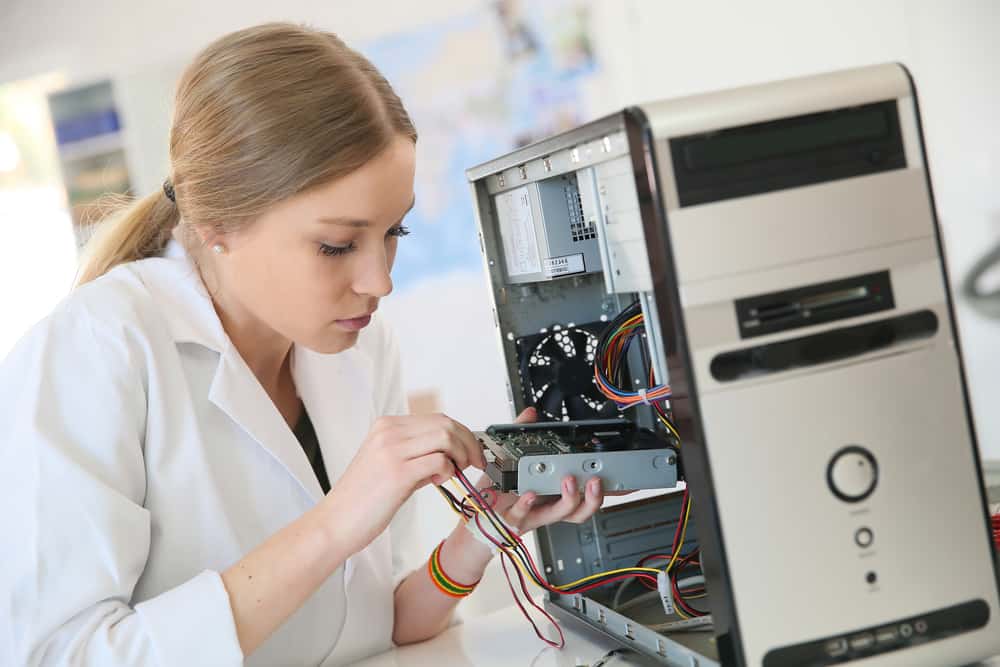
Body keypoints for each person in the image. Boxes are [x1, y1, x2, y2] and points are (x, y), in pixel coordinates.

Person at [0, 23, 608, 666]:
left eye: (393, 231)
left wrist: (484, 533)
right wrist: (336, 521)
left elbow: (378, 625)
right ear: (218, 227)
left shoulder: (361, 349)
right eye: (336, 246)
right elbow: (62, 656)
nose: (381, 281)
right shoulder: (95, 350)